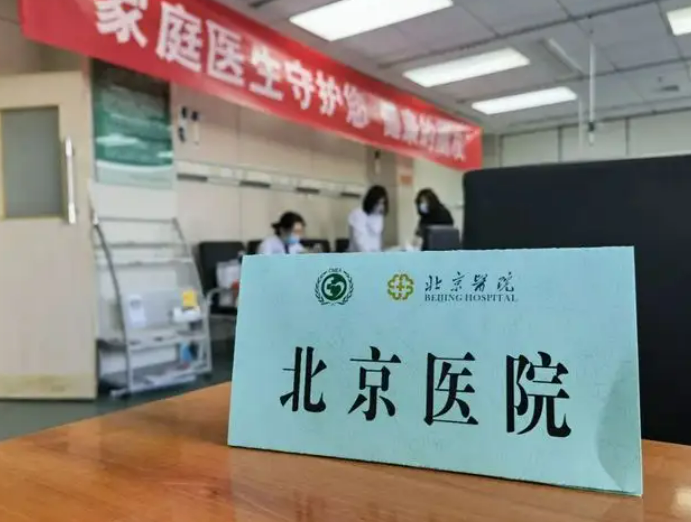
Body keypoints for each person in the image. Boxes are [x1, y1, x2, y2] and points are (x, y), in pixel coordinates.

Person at [348, 185, 388, 253]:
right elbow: (358, 240)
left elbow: (378, 238)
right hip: (358, 254)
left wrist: (380, 253)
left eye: (383, 203)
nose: (381, 206)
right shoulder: (357, 214)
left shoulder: (379, 216)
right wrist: (369, 255)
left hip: (375, 254)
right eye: (378, 203)